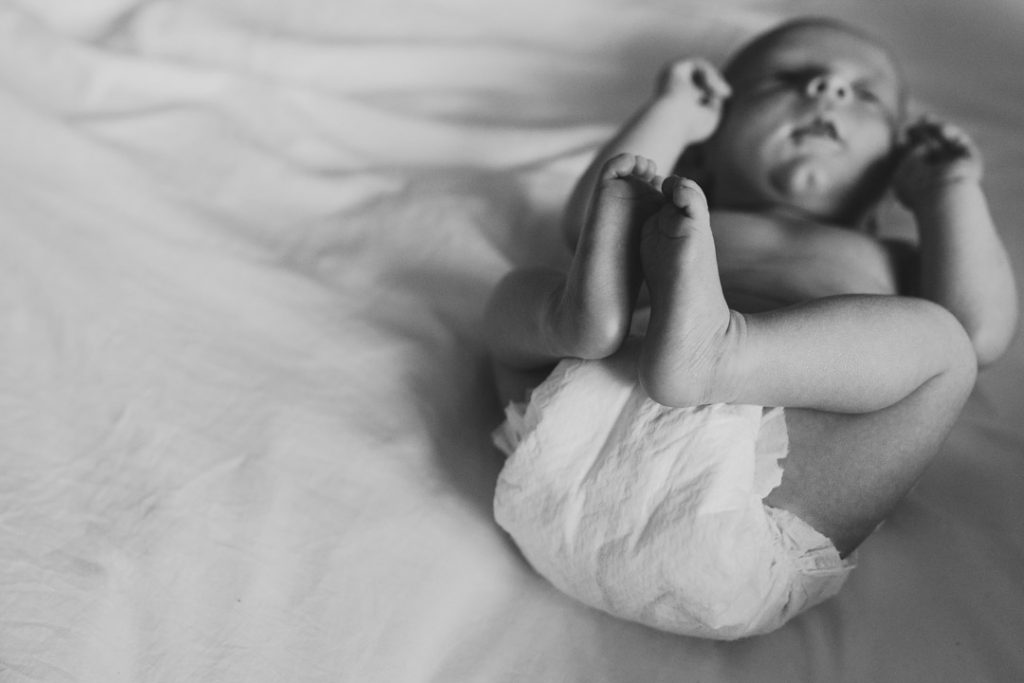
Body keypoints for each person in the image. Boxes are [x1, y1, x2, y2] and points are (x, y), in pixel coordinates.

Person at [484, 16, 1018, 639]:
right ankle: (583, 324)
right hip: (578, 435)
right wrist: (676, 113)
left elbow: (981, 330)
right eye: (787, 79)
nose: (828, 89)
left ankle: (706, 352)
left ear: (894, 170)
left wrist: (949, 192)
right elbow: (586, 224)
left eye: (865, 94)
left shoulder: (893, 259)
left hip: (763, 500)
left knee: (946, 342)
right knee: (521, 292)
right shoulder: (681, 212)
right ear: (713, 142)